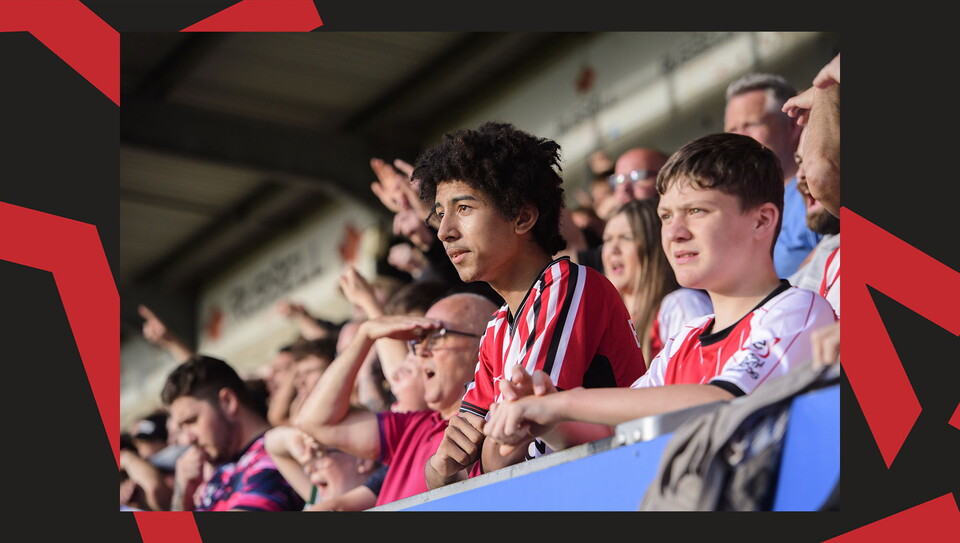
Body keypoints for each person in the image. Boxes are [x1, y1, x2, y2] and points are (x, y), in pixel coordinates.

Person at [482, 132, 837, 452]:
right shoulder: (686, 338)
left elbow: (719, 400)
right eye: (666, 216)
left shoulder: (797, 310)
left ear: (762, 220)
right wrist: (545, 422)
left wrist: (560, 404)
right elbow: (614, 428)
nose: (675, 232)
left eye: (696, 211)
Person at [411, 121, 647, 487]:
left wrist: (484, 453)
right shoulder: (496, 328)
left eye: (464, 208)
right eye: (441, 213)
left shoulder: (568, 284)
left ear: (522, 217)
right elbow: (453, 464)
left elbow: (512, 450)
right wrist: (440, 466)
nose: (445, 231)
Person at [296, 292, 499, 507]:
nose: (422, 352)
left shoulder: (498, 423)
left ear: (484, 343)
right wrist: (365, 335)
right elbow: (315, 422)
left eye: (437, 336)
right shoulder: (413, 426)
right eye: (418, 341)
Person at [162, 355, 304, 511]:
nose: (188, 439)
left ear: (228, 402)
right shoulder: (222, 468)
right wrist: (183, 496)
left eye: (192, 421)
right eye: (182, 427)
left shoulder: (273, 457)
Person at [725, 72, 821, 279]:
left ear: (792, 125)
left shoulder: (820, 190)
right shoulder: (733, 208)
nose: (739, 137)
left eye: (751, 124)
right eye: (732, 129)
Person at [601, 199, 713, 361]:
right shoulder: (606, 322)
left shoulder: (680, 305)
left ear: (653, 248)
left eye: (626, 238)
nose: (613, 250)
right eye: (607, 240)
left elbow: (698, 380)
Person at [263, 425, 383, 511]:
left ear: (363, 459)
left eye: (320, 454)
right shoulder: (318, 498)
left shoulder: (388, 498)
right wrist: (300, 438)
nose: (309, 469)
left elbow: (337, 507)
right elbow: (271, 443)